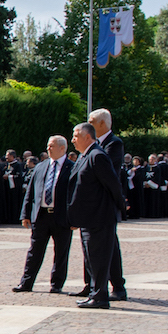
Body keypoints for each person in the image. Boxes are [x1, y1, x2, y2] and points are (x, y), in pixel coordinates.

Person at [68, 122, 126, 310]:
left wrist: (120, 207)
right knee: (92, 258)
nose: (72, 140)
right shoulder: (86, 156)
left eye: (76, 136)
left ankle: (101, 296)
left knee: (99, 259)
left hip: (100, 217)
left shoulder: (98, 156)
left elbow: (113, 184)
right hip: (88, 218)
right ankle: (95, 293)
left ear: (87, 136)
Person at [13, 135, 73, 294]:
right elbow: (31, 192)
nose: (48, 148)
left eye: (51, 146)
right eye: (48, 145)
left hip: (62, 217)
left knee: (61, 253)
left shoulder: (72, 167)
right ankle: (26, 283)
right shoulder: (40, 167)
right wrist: (25, 214)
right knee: (34, 251)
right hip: (41, 215)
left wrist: (75, 217)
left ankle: (57, 284)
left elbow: (76, 194)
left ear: (62, 148)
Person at [82, 109, 128, 301]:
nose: (88, 124)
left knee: (109, 247)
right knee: (88, 246)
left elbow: (104, 170)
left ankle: (117, 286)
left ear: (102, 124)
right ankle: (91, 285)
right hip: (90, 203)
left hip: (104, 203)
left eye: (91, 122)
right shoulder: (93, 144)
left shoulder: (114, 144)